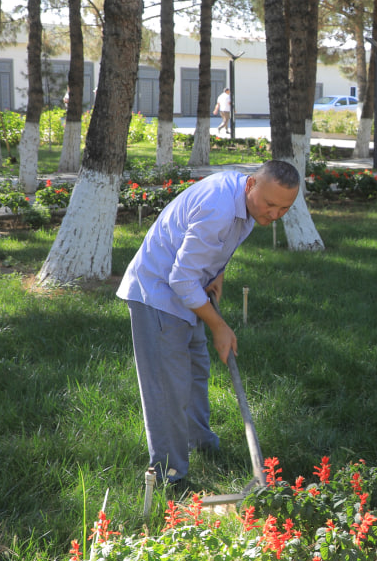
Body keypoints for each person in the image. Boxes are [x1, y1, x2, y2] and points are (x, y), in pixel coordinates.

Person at [117, 160, 301, 496]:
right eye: (270, 204)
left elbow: (216, 247)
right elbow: (181, 279)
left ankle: (200, 442)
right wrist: (219, 326)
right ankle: (170, 475)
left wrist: (217, 274)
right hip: (158, 294)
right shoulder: (219, 208)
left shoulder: (248, 203)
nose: (275, 214)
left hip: (189, 292)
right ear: (250, 185)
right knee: (168, 389)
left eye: (284, 208)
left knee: (195, 372)